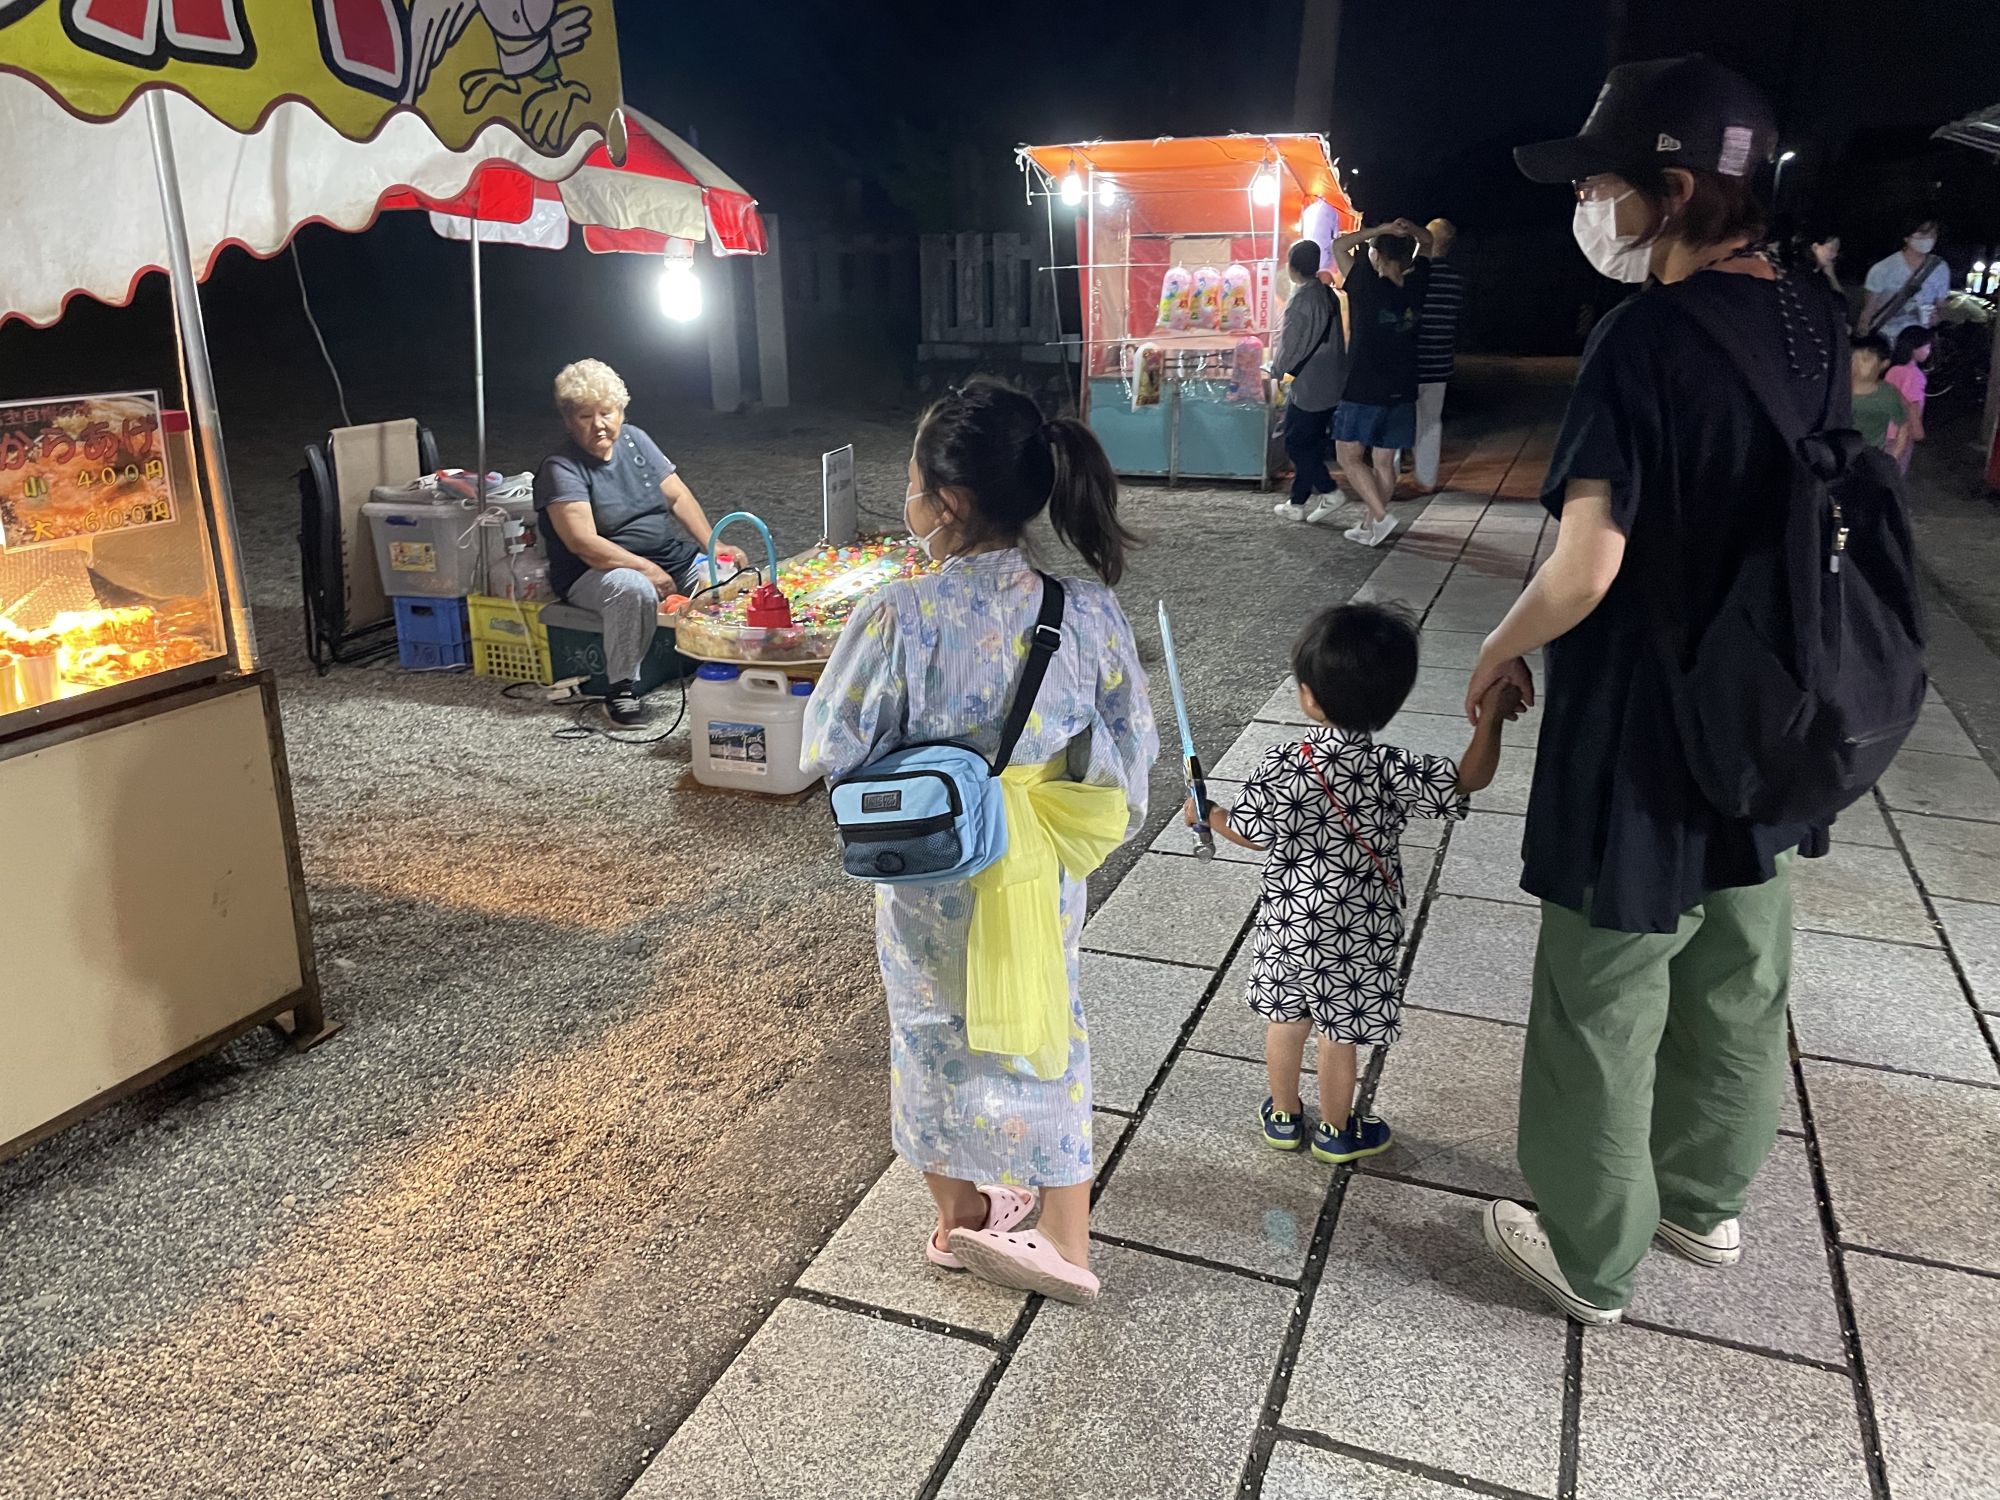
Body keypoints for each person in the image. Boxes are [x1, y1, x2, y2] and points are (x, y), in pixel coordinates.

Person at [1481, 55, 1850, 1324]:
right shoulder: (1809, 315)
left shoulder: (1641, 339)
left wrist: (1494, 646)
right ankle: (1703, 1198)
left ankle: (1588, 1252)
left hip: (1642, 717)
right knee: (1739, 961)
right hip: (1769, 705)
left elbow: (1584, 567)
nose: (1585, 202)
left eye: (1599, 183)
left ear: (1675, 190)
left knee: (1602, 987)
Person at [801, 379, 1158, 1305]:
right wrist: (1042, 796)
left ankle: (960, 1216)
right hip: (1036, 859)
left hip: (933, 865)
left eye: (913, 482)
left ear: (949, 502)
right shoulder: (1085, 611)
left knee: (931, 1030)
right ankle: (1064, 1235)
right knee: (1048, 1021)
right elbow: (1130, 751)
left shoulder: (899, 614)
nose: (908, 497)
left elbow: (833, 747)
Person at [1188, 604, 1520, 1163]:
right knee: (1339, 1035)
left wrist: (1209, 812)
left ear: (1308, 697)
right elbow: (1468, 780)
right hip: (1362, 932)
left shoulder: (1284, 763)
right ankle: (1337, 1131)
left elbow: (1252, 832)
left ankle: (1284, 1116)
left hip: (1291, 926)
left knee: (1285, 1021)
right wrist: (1491, 719)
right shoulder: (1392, 766)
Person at [534, 359, 742, 726]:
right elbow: (583, 542)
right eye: (585, 416)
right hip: (594, 572)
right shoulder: (560, 467)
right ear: (568, 420)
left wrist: (716, 546)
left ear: (621, 412)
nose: (599, 424)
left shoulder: (636, 440)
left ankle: (724, 662)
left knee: (731, 576)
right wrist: (646, 569)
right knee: (633, 588)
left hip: (665, 556)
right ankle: (622, 688)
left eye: (606, 412)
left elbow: (678, 496)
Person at [1328, 218, 1433, 548]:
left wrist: (1380, 230)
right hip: (1403, 388)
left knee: (1348, 457)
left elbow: (1338, 246)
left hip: (1364, 387)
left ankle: (1381, 516)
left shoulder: (1365, 284)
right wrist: (1410, 230)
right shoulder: (1418, 284)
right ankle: (1370, 526)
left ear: (1377, 256)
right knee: (1384, 462)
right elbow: (1428, 241)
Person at [1272, 239, 1349, 525]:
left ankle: (1330, 490)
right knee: (1312, 443)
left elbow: (1290, 345)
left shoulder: (1300, 301)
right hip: (1332, 380)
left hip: (1309, 385)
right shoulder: (1327, 294)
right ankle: (1297, 503)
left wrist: (1277, 371)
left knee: (1295, 444)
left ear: (1292, 267)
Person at [1411, 218, 1465, 491]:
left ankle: (1389, 476)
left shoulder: (1414, 274)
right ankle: (1426, 480)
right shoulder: (1455, 279)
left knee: (1401, 420)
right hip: (1440, 360)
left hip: (1411, 359)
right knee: (1431, 422)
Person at [1860, 216, 1948, 343]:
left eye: (1933, 234)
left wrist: (1938, 317)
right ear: (1906, 237)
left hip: (1920, 342)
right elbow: (1868, 311)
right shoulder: (1883, 269)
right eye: (1923, 234)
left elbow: (1941, 305)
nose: (1929, 239)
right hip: (1888, 339)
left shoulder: (1940, 267)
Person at [1849, 333, 1911, 463]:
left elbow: (1903, 425)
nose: (1856, 364)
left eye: (1865, 359)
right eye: (1852, 357)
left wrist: (1893, 459)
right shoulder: (1838, 386)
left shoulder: (1886, 395)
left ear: (1884, 364)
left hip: (1868, 457)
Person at [1884, 325, 1932, 472]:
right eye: (1927, 347)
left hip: (1884, 429)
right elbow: (1912, 406)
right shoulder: (1915, 375)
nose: (1929, 351)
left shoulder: (1893, 370)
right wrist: (1917, 430)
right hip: (1901, 433)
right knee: (1895, 471)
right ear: (1914, 349)